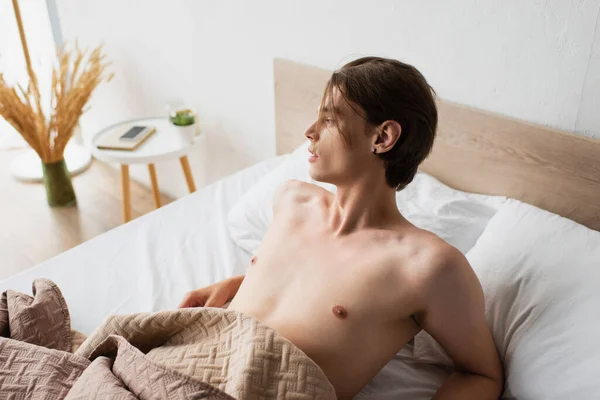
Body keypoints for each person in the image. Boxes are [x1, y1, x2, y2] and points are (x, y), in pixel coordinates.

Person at [179, 56, 504, 399]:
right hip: (183, 365)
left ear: (383, 137)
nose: (309, 131)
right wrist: (239, 283)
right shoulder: (292, 200)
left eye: (329, 119)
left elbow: (481, 374)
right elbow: (314, 285)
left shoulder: (427, 266)